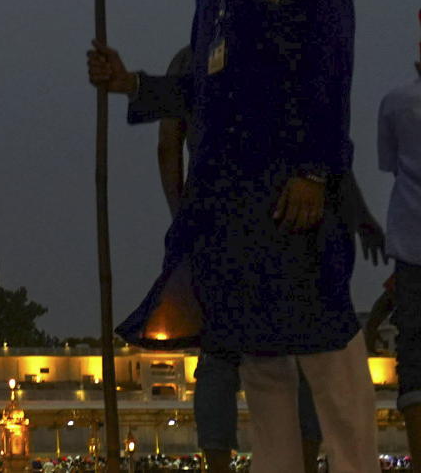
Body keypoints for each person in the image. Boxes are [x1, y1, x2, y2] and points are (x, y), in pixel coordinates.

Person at [87, 0, 378, 473]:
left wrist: (313, 172)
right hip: (229, 202)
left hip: (292, 193)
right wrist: (130, 82)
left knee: (329, 353)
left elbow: (329, 63)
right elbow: (204, 89)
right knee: (261, 362)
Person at [158, 47, 385, 472]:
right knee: (298, 352)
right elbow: (325, 139)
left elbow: (168, 146)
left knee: (222, 357)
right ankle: (301, 459)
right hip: (285, 216)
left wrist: (181, 219)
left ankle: (222, 463)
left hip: (225, 221)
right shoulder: (282, 49)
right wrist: (356, 212)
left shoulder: (193, 58)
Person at [378, 21, 421, 461]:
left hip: (411, 242)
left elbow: (388, 162)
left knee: (413, 352)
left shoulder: (396, 103)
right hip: (409, 241)